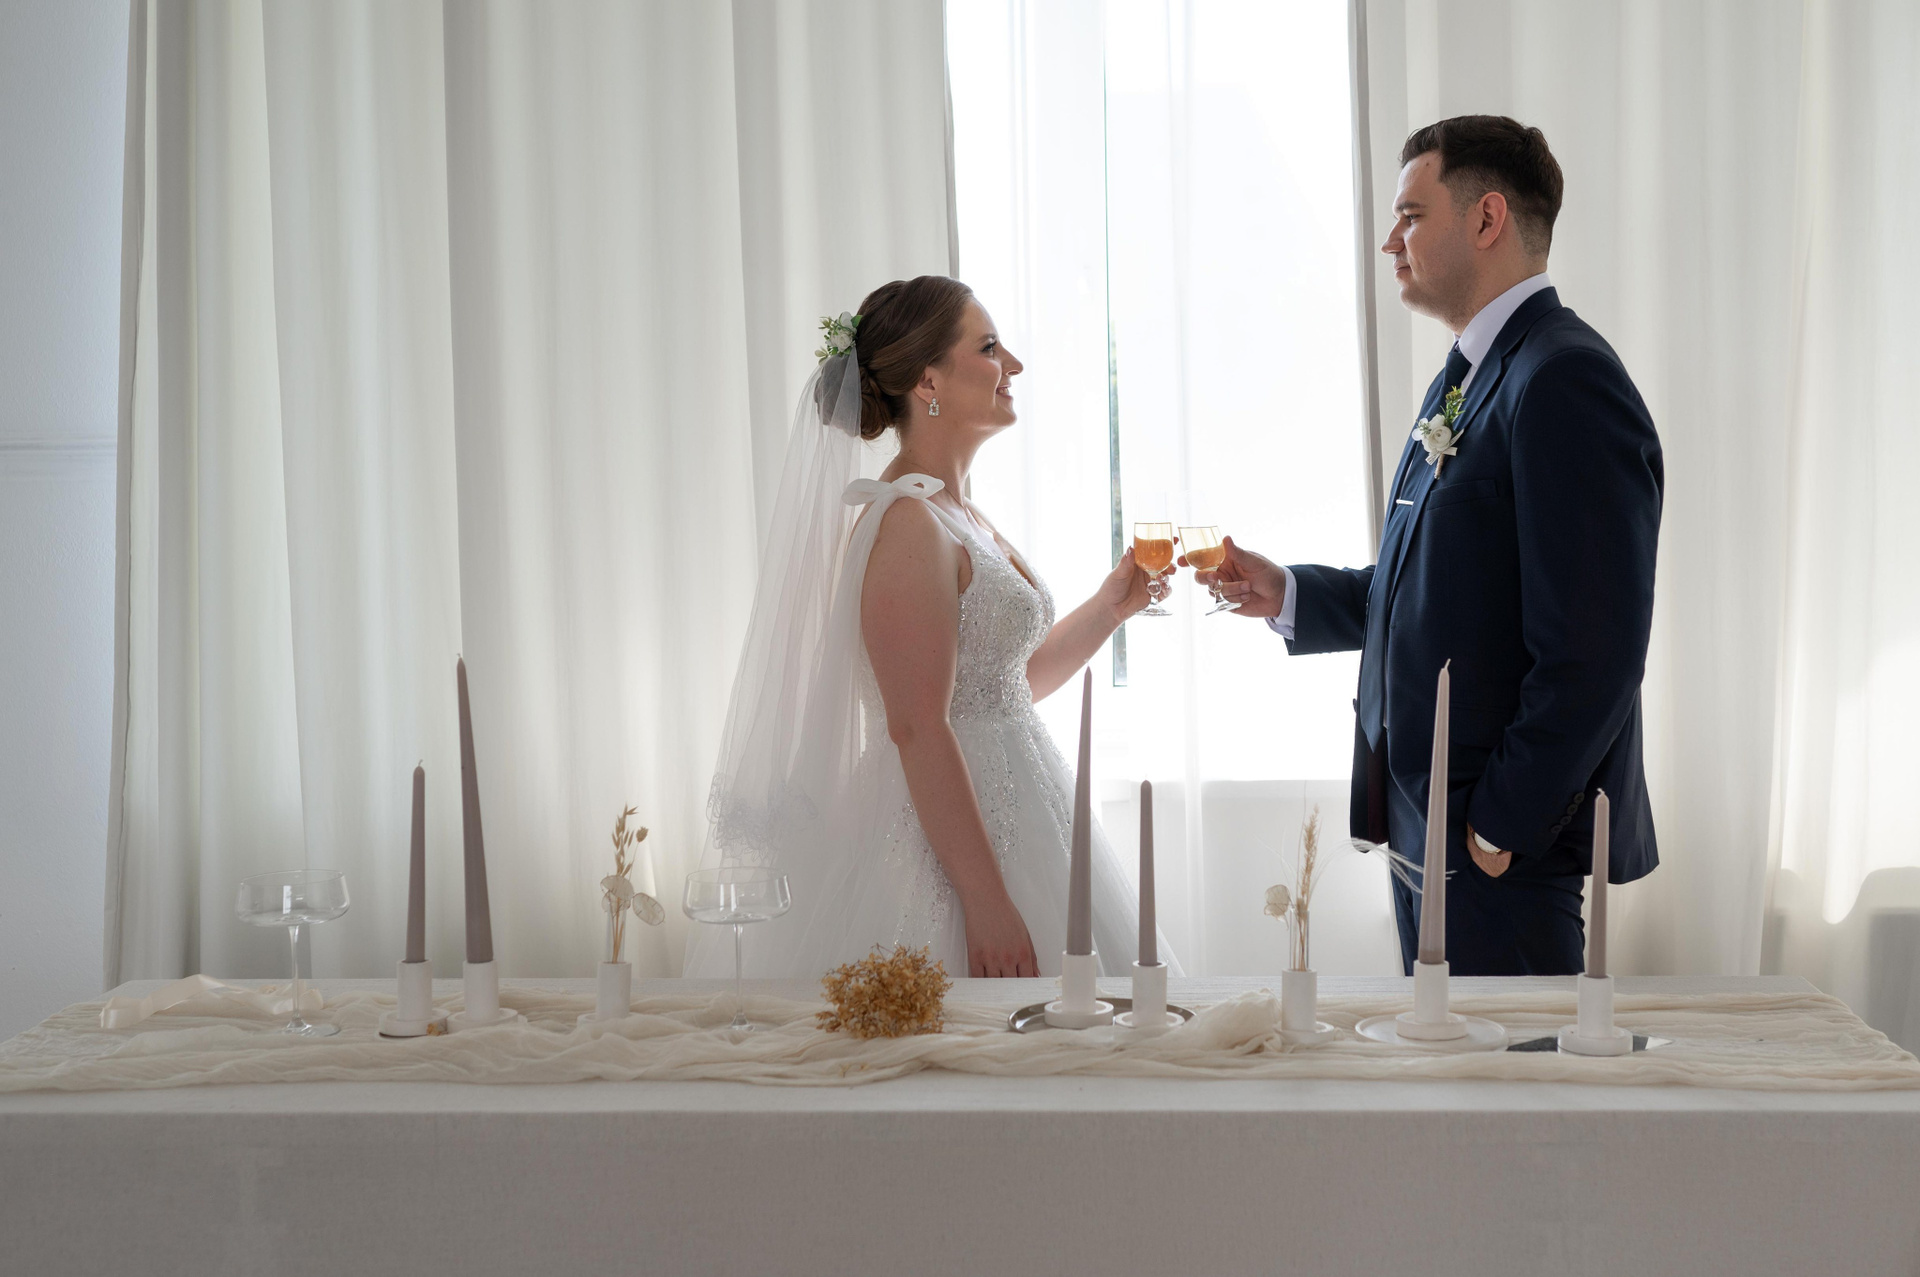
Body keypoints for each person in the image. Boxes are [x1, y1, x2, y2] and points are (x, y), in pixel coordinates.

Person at [1196, 116, 1663, 976]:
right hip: (1425, 833)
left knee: (1512, 1067)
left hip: (1499, 856)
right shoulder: (1468, 374)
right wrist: (1290, 592)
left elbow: (1595, 648)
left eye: (1411, 216)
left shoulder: (1563, 377)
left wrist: (1496, 824)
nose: (1391, 241)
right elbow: (1440, 584)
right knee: (1447, 1067)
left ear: (1486, 218)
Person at [689, 275, 1176, 979]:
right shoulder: (908, 522)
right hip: (945, 850)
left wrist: (1110, 607)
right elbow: (917, 724)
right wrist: (985, 901)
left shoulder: (957, 511)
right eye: (989, 347)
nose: (1012, 364)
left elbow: (1002, 686)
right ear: (928, 381)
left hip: (1022, 815)